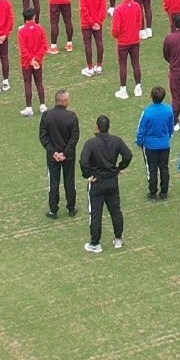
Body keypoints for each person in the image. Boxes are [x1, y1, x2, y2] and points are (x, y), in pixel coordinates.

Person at [80, 114, 134, 252]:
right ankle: (118, 239)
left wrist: (88, 175)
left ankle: (95, 243)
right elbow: (128, 155)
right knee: (115, 211)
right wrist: (119, 168)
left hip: (97, 183)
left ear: (97, 127)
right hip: (112, 181)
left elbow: (83, 161)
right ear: (109, 127)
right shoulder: (116, 141)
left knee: (96, 213)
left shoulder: (91, 143)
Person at [39, 89, 80, 219]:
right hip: (68, 156)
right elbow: (74, 138)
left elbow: (43, 137)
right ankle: (71, 208)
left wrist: (53, 152)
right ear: (64, 101)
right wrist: (65, 153)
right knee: (69, 181)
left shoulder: (47, 116)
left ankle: (53, 210)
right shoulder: (72, 116)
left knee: (53, 182)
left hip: (52, 156)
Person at [136, 86, 176, 199]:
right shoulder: (168, 110)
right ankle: (164, 192)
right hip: (164, 144)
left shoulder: (147, 112)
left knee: (151, 168)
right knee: (164, 167)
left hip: (150, 146)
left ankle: (152, 192)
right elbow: (170, 127)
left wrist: (139, 141)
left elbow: (141, 129)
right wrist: (168, 136)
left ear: (151, 97)